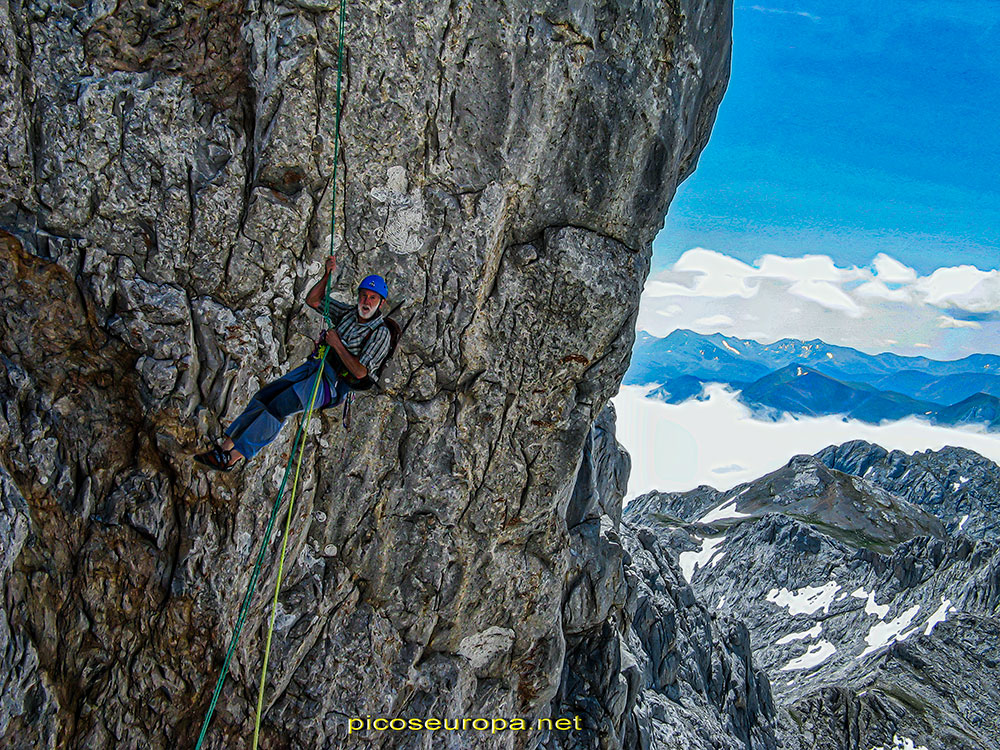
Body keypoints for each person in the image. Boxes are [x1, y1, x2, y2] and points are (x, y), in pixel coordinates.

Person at [194, 255, 391, 471]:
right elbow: (314, 301)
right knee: (265, 397)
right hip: (315, 369)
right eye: (364, 296)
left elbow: (360, 372)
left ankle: (232, 459)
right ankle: (224, 448)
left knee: (279, 407)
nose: (366, 301)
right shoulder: (348, 314)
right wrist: (327, 275)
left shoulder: (380, 333)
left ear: (381, 303)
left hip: (330, 386)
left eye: (373, 298)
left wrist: (336, 344)